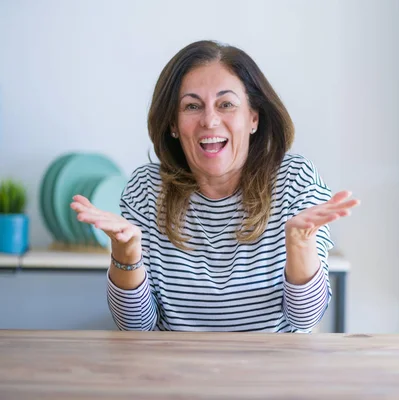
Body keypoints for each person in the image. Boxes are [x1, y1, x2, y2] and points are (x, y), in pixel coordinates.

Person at [71, 40, 359, 332]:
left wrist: (300, 245)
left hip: (270, 372)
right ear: (173, 123)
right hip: (173, 372)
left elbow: (305, 319)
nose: (209, 120)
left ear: (253, 118)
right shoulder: (146, 190)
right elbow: (135, 328)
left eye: (226, 104)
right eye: (192, 106)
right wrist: (125, 255)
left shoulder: (296, 179)